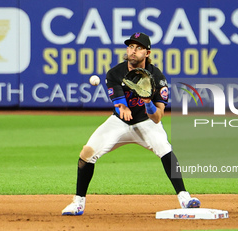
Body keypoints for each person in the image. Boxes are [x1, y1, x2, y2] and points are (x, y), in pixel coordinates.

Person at [62, 32, 200, 216]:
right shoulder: (115, 73)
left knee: (165, 149)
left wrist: (147, 102)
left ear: (147, 53)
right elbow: (120, 105)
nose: (133, 51)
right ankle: (78, 203)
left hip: (146, 123)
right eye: (130, 47)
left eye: (138, 48)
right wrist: (123, 109)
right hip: (119, 123)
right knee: (87, 153)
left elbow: (157, 117)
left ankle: (184, 197)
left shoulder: (158, 78)